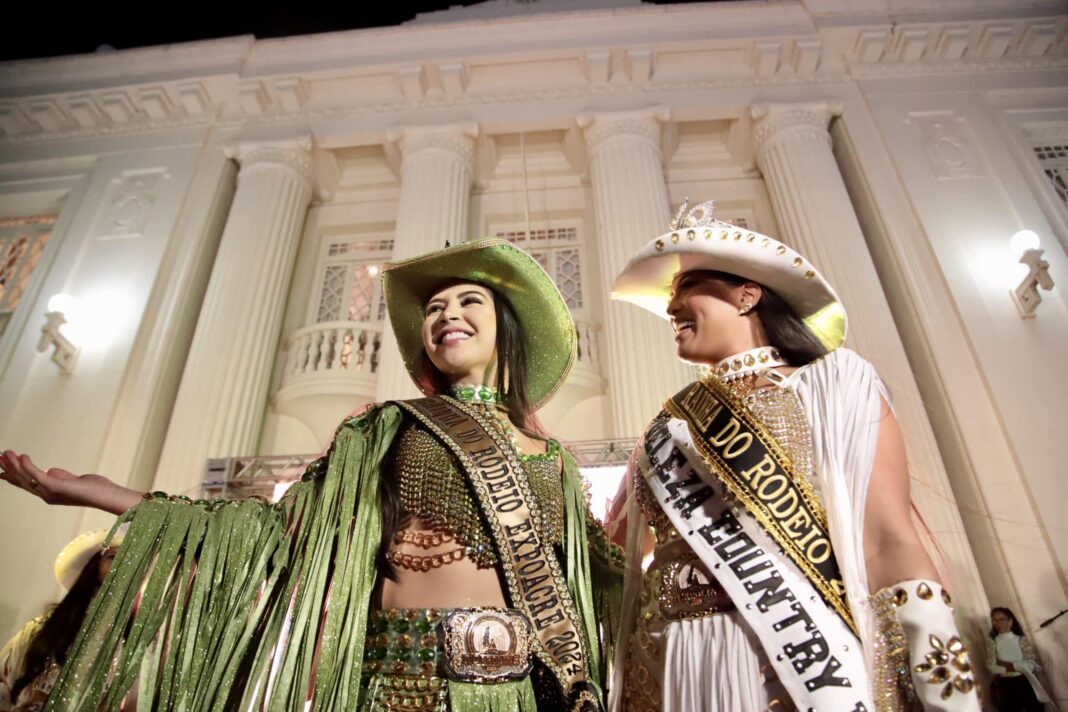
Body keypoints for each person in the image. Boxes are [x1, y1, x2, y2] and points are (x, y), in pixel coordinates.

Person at [0, 238, 621, 712]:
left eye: (468, 302)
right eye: (433, 308)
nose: (445, 315)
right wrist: (110, 495)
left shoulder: (554, 462)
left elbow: (598, 579)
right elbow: (278, 527)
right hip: (398, 679)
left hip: (516, 693)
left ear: (504, 325)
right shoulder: (385, 428)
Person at [604, 201, 980, 711]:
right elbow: (613, 552)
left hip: (795, 656)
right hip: (673, 664)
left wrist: (942, 690)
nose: (672, 309)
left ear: (747, 295)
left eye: (687, 289)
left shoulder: (832, 382)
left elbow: (888, 539)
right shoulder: (665, 427)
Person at [0, 529, 122, 712]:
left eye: (134, 559)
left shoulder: (142, 642)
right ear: (93, 565)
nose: (125, 565)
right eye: (113, 557)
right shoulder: (41, 630)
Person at [987, 607, 1050, 711]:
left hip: (1025, 680)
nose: (998, 623)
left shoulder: (1021, 640)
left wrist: (1006, 664)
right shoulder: (992, 642)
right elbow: (992, 667)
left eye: (1001, 619)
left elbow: (1030, 663)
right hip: (1005, 684)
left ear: (1010, 621)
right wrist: (1019, 666)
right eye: (995, 620)